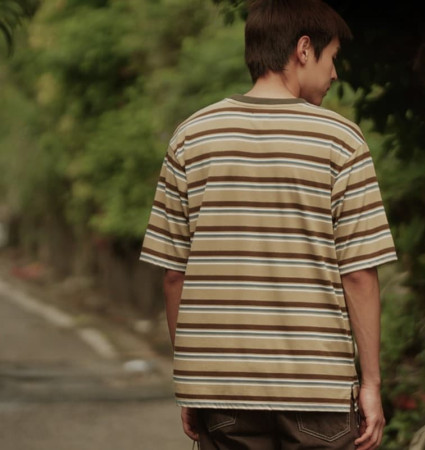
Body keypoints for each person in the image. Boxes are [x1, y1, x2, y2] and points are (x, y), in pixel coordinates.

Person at [139, 1, 397, 449]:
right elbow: (358, 274)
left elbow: (174, 275)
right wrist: (370, 384)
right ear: (303, 49)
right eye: (332, 57)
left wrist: (193, 383)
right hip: (317, 390)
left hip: (222, 391)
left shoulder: (191, 137)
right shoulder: (341, 141)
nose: (335, 73)